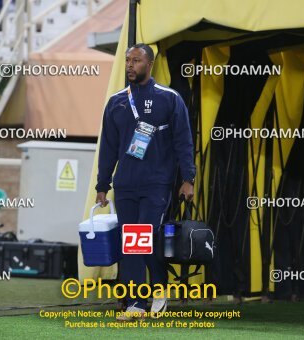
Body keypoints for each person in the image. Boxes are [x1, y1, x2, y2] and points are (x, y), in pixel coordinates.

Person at [95, 43, 196, 321]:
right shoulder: (116, 102)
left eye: (136, 60)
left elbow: (183, 140)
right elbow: (108, 147)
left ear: (149, 64)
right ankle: (137, 302)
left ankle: (154, 293)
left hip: (157, 184)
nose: (130, 65)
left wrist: (188, 178)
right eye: (127, 60)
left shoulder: (169, 98)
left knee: (146, 237)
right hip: (125, 185)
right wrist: (102, 185)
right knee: (132, 242)